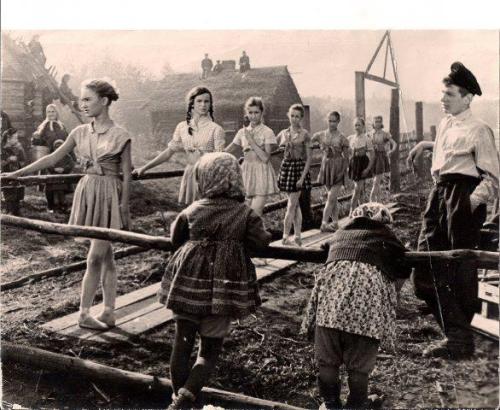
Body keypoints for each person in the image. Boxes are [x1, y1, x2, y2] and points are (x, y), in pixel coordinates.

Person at [2, 79, 132, 330]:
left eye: (87, 99)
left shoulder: (121, 135)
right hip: (88, 192)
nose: (81, 104)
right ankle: (106, 311)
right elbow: (52, 157)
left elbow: (126, 175)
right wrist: (18, 174)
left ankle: (89, 313)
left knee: (99, 257)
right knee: (104, 257)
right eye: (81, 99)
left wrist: (124, 208)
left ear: (104, 101)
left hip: (109, 195)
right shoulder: (79, 132)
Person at [158, 152, 271, 409]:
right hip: (222, 291)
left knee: (181, 344)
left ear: (204, 179)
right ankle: (187, 397)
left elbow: (176, 239)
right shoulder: (244, 213)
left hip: (188, 287)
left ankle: (180, 399)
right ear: (235, 180)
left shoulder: (193, 210)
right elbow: (261, 241)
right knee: (208, 352)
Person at [410, 62, 499, 359]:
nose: (443, 99)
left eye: (449, 94)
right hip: (439, 196)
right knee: (424, 267)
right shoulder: (447, 124)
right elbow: (447, 156)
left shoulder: (480, 130)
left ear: (467, 97)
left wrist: (467, 205)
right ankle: (459, 335)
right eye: (442, 93)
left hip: (461, 198)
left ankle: (459, 340)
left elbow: (493, 180)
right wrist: (425, 143)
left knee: (458, 269)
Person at [301, 202, 411, 409]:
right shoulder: (386, 236)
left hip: (331, 303)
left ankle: (331, 403)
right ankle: (356, 404)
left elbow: (324, 248)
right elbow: (404, 267)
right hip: (365, 308)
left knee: (327, 362)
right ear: (383, 221)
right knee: (359, 367)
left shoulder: (340, 234)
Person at [133, 86, 225, 205]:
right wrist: (144, 168)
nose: (203, 105)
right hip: (190, 175)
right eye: (199, 101)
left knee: (207, 216)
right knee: (191, 217)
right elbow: (168, 153)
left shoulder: (216, 129)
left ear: (210, 104)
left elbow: (221, 160)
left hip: (209, 177)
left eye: (207, 101)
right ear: (192, 103)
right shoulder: (182, 127)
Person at [225, 96, 278, 217]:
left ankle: (254, 235)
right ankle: (252, 235)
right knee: (245, 213)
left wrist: (251, 141)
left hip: (261, 171)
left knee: (255, 213)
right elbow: (228, 150)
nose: (253, 116)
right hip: (246, 172)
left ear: (261, 112)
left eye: (256, 112)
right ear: (246, 113)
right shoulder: (241, 132)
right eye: (250, 112)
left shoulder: (267, 132)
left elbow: (265, 158)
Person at [276, 104, 312, 246]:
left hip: (298, 169)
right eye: (292, 115)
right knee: (295, 205)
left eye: (297, 116)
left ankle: (285, 236)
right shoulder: (283, 133)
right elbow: (275, 147)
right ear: (288, 116)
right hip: (287, 168)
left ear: (301, 118)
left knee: (291, 204)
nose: (294, 119)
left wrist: (302, 177)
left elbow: (309, 158)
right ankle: (297, 236)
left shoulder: (305, 134)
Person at [312, 111, 350, 232]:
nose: (331, 123)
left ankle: (324, 223)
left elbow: (347, 157)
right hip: (327, 166)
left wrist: (345, 172)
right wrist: (319, 146)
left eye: (334, 121)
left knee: (331, 197)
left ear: (338, 122)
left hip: (338, 167)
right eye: (329, 120)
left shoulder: (342, 137)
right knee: (332, 198)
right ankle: (335, 223)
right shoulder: (321, 134)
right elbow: (309, 140)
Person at [32, 104, 69, 209]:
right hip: (49, 156)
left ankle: (61, 204)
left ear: (57, 112)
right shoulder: (44, 126)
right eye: (49, 112)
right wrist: (35, 137)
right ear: (46, 113)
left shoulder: (62, 126)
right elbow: (39, 142)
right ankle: (51, 205)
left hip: (61, 156)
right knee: (50, 181)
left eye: (53, 111)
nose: (51, 114)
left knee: (61, 180)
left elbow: (67, 140)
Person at [347, 117, 374, 216]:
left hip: (363, 164)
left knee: (357, 189)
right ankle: (363, 211)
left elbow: (372, 155)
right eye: (355, 125)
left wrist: (368, 169)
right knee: (359, 189)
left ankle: (352, 210)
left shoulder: (367, 139)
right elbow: (345, 150)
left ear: (363, 126)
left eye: (359, 125)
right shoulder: (351, 138)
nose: (357, 127)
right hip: (354, 164)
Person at [368, 115, 397, 203]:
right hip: (372, 158)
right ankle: (379, 202)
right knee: (376, 182)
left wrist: (391, 151)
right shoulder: (369, 134)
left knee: (376, 181)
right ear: (373, 123)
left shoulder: (384, 134)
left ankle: (371, 201)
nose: (377, 123)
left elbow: (394, 143)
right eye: (376, 121)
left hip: (381, 157)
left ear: (381, 123)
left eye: (379, 121)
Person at [45, 139, 76, 213]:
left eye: (60, 146)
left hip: (63, 178)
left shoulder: (67, 156)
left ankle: (63, 205)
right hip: (53, 177)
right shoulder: (51, 156)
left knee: (61, 191)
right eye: (56, 147)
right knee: (51, 192)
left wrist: (64, 169)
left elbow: (71, 165)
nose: (58, 148)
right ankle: (52, 206)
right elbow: (47, 165)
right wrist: (54, 169)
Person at [1, 128, 26, 215]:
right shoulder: (2, 149)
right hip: (6, 172)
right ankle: (9, 210)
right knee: (8, 191)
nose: (17, 140)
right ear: (8, 138)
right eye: (15, 138)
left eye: (17, 138)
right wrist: (8, 160)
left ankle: (16, 210)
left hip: (17, 172)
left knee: (17, 191)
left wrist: (19, 163)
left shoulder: (19, 148)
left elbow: (23, 160)